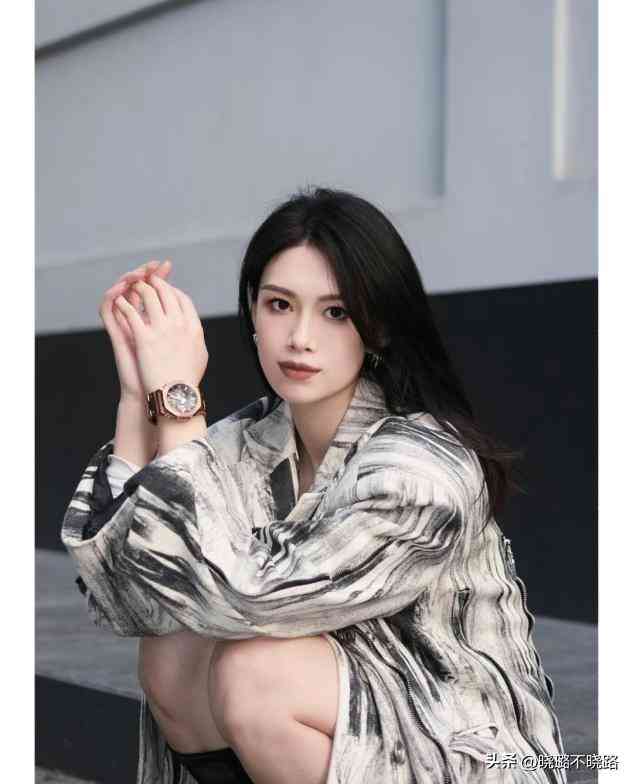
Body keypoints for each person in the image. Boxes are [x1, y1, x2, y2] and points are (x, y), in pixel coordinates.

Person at [61, 187, 567, 784]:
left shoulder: (421, 471)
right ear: (253, 312)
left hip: (464, 751)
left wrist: (178, 404)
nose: (300, 336)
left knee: (256, 675)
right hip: (358, 727)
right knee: (172, 653)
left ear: (379, 328)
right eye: (279, 304)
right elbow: (128, 604)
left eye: (336, 312)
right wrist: (135, 401)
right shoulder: (251, 442)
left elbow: (245, 595)